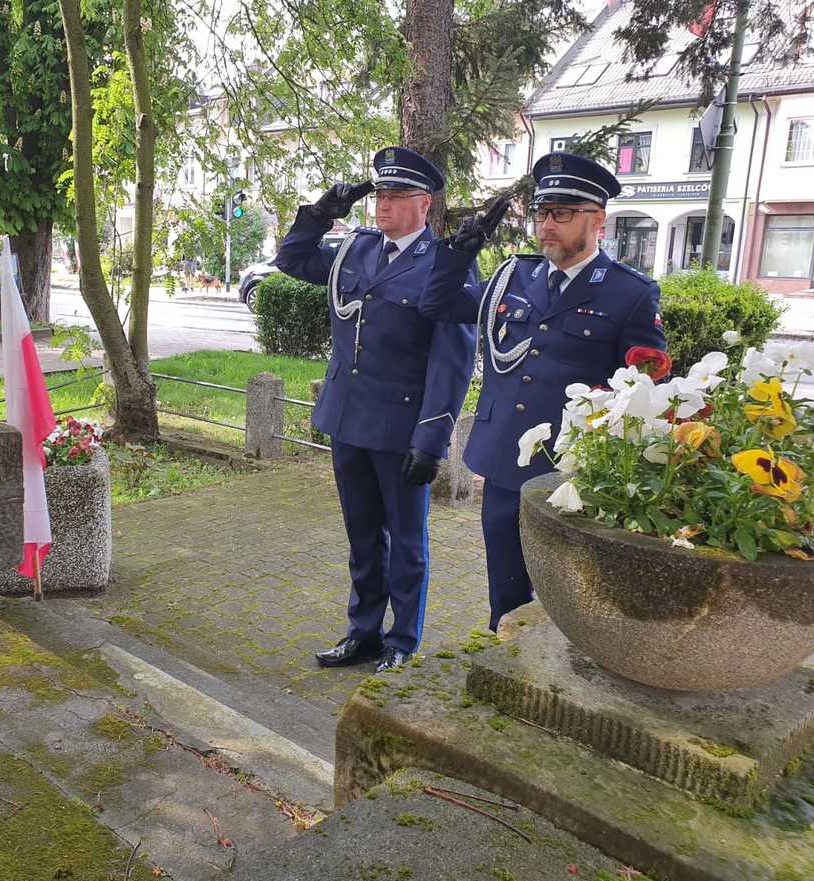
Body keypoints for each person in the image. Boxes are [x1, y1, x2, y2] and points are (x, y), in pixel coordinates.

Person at [418, 151, 667, 633]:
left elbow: (644, 385)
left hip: (569, 469)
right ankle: (504, 648)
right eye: (542, 212)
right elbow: (438, 305)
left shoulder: (629, 293)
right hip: (505, 457)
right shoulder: (514, 277)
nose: (547, 224)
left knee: (569, 591)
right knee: (505, 581)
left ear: (598, 220)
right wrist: (458, 255)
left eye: (562, 214)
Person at [273, 147, 477, 673]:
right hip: (348, 418)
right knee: (362, 537)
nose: (383, 205)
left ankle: (402, 639)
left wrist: (431, 439)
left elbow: (452, 363)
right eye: (380, 195)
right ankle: (362, 632)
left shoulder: (445, 264)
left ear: (424, 204)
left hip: (401, 427)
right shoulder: (356, 249)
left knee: (406, 542)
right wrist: (321, 214)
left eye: (397, 196)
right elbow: (291, 260)